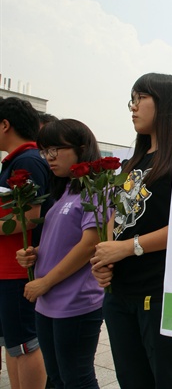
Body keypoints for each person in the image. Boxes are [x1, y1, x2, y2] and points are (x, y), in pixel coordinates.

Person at [90, 73, 172, 388]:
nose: (133, 108)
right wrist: (104, 259)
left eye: (140, 99)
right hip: (121, 294)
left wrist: (126, 248)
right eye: (132, 100)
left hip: (171, 295)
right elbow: (115, 217)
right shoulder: (132, 163)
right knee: (132, 379)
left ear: (165, 103)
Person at [15, 119, 106, 388]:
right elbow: (63, 242)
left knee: (76, 379)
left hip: (75, 302)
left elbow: (90, 244)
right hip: (48, 301)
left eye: (56, 150)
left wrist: (45, 281)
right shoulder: (65, 191)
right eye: (45, 151)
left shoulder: (96, 189)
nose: (49, 158)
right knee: (56, 379)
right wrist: (35, 253)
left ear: (81, 148)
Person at [0, 97, 48, 389]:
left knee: (26, 343)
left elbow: (32, 216)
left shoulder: (28, 161)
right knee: (13, 341)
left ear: (5, 124)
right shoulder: (15, 161)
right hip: (9, 268)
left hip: (21, 270)